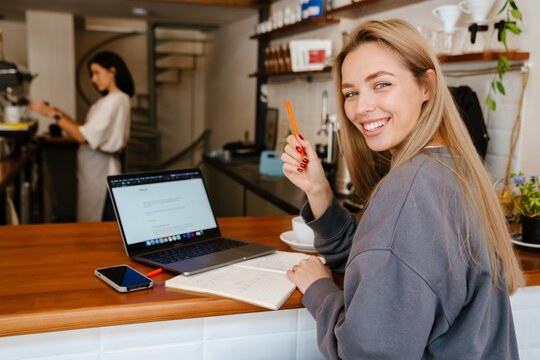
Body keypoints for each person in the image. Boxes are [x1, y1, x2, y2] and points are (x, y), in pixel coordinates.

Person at [281, 19, 523, 359]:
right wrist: (318, 189)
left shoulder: (409, 188)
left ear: (427, 85)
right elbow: (390, 266)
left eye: (381, 84)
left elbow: (367, 352)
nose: (361, 106)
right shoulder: (452, 168)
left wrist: (319, 290)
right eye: (351, 92)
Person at [30, 51, 134, 222]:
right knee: (92, 217)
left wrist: (49, 113)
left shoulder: (114, 101)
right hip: (95, 169)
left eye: (96, 73)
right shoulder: (113, 100)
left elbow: (83, 136)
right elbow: (86, 130)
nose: (93, 80)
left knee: (98, 221)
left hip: (101, 172)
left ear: (112, 71)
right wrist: (63, 117)